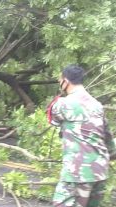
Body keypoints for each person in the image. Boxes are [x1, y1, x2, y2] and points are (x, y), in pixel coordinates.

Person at [47, 65, 116, 207]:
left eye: (60, 79)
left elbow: (52, 119)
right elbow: (108, 139)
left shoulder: (63, 104)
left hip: (78, 172)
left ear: (65, 81)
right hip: (100, 171)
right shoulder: (97, 105)